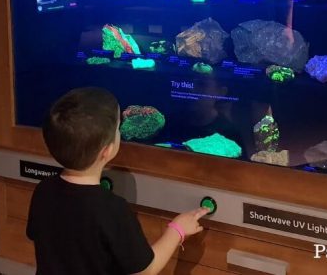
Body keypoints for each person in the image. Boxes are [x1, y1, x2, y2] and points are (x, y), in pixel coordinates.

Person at [27, 87, 209, 275]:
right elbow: (146, 270)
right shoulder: (112, 209)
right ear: (106, 151)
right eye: (117, 129)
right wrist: (177, 229)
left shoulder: (43, 190)